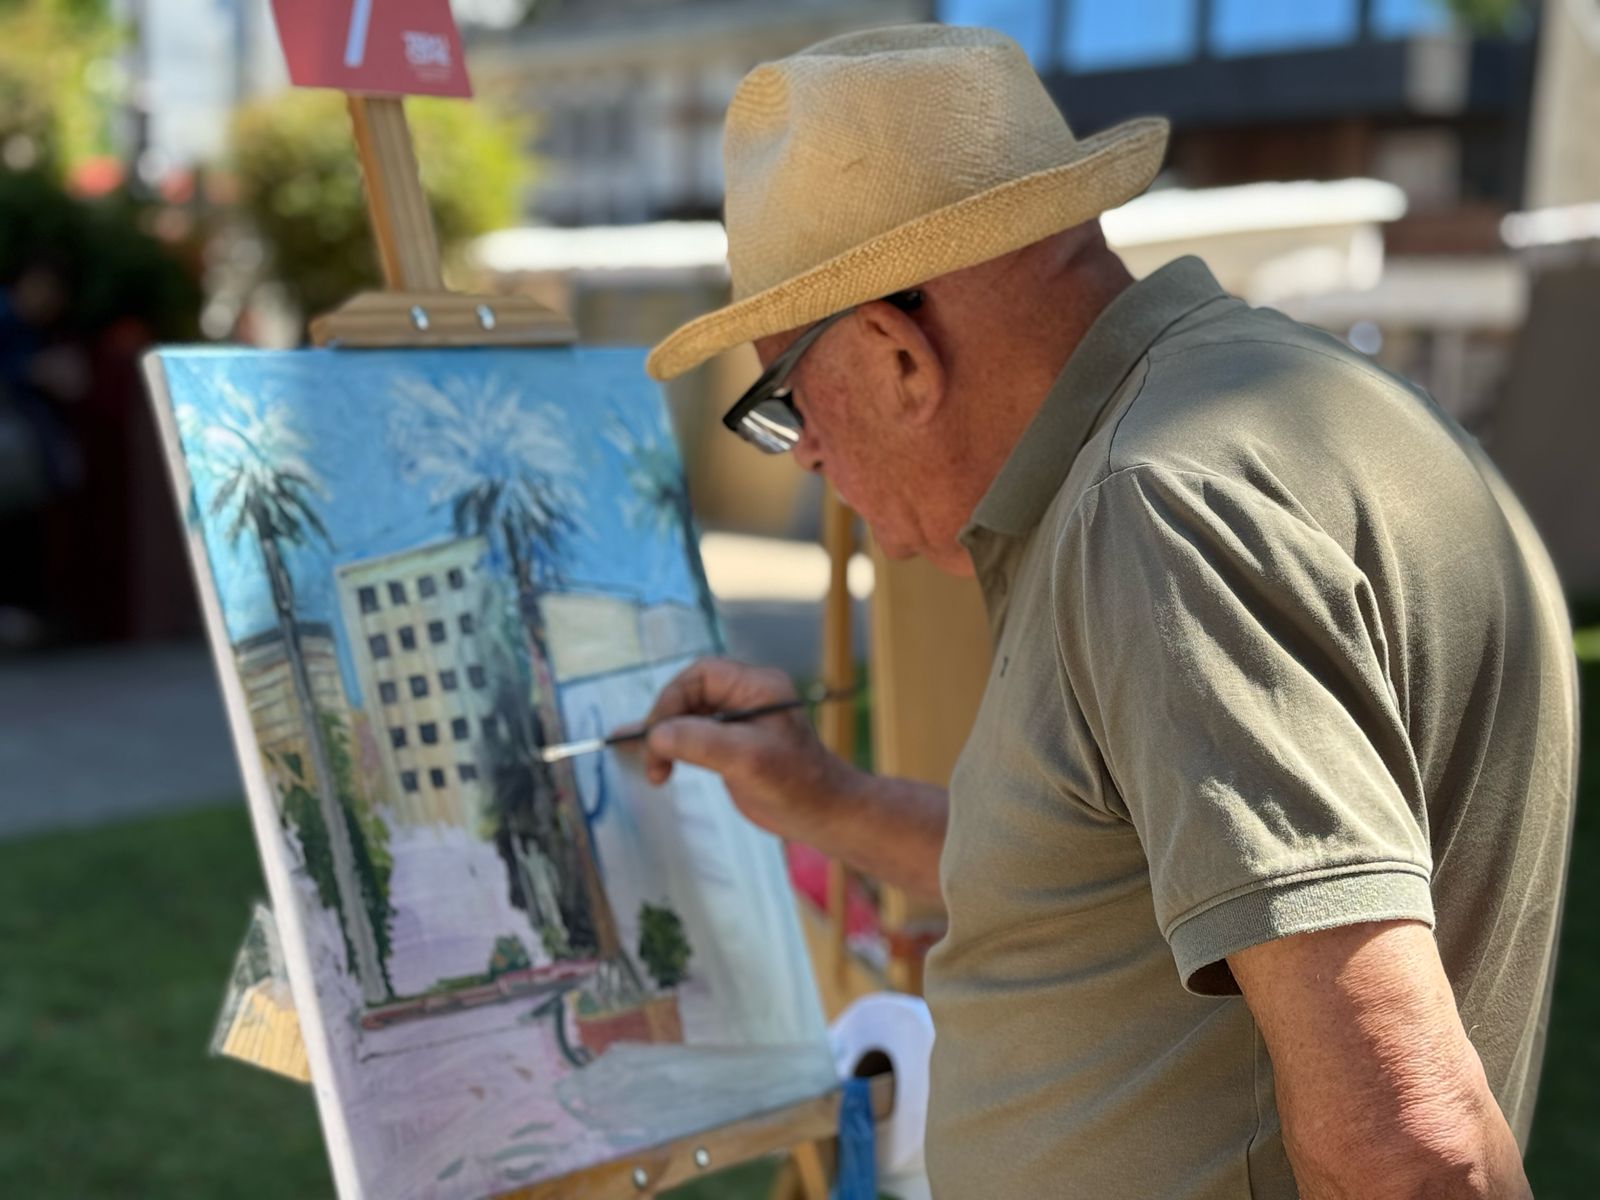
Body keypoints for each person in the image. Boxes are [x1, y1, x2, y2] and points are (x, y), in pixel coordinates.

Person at [636, 25, 1577, 1200]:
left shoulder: (1156, 505)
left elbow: (1411, 1144)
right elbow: (1128, 873)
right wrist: (821, 798)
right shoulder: (1246, 414)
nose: (806, 453)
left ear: (894, 352)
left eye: (783, 399)